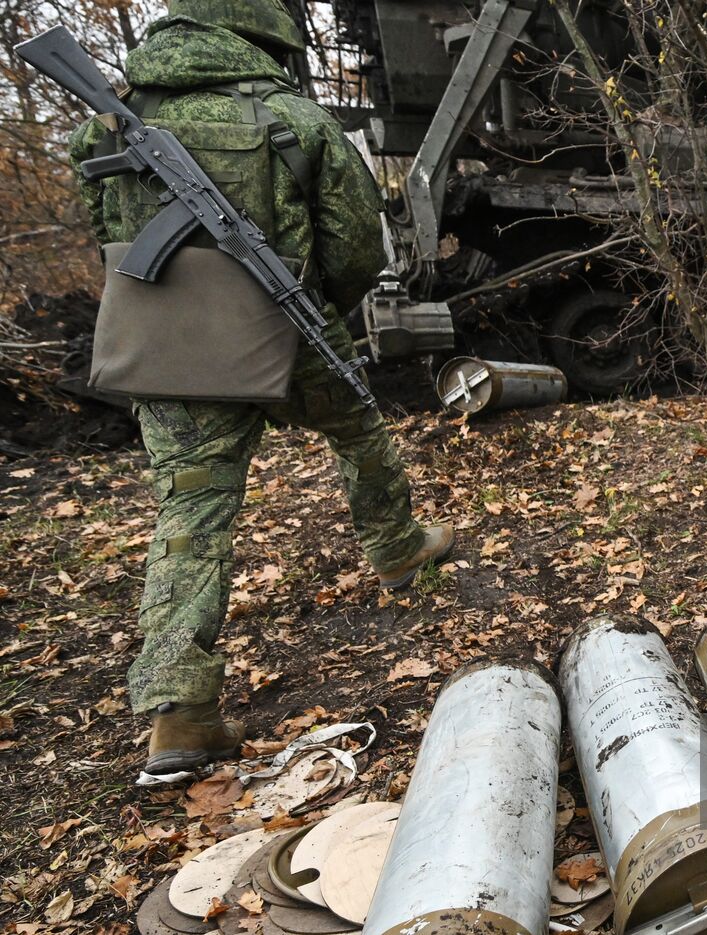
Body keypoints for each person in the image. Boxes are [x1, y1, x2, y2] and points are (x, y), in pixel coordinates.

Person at [68, 0, 453, 777]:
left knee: (191, 506)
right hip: (287, 322)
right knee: (358, 429)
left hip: (170, 336)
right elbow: (355, 244)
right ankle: (396, 548)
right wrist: (324, 307)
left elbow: (104, 224)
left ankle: (179, 712)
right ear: (261, 31)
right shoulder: (294, 118)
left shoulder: (106, 122)